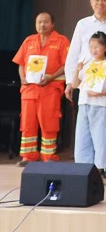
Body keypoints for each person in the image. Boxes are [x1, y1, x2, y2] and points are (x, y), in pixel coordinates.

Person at [13, 12, 69, 165]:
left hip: (50, 88)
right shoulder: (29, 41)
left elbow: (67, 65)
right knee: (27, 122)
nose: (42, 25)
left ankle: (48, 157)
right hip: (29, 89)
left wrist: (51, 77)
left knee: (49, 122)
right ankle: (28, 156)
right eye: (39, 22)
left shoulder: (61, 41)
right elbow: (21, 63)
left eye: (45, 22)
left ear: (52, 24)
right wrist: (22, 77)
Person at [75, 31, 106, 178]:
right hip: (84, 102)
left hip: (101, 104)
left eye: (96, 47)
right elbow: (76, 84)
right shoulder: (87, 64)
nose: (93, 50)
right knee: (82, 136)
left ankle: (100, 168)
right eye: (91, 47)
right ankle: (83, 167)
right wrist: (77, 70)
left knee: (100, 136)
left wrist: (99, 94)